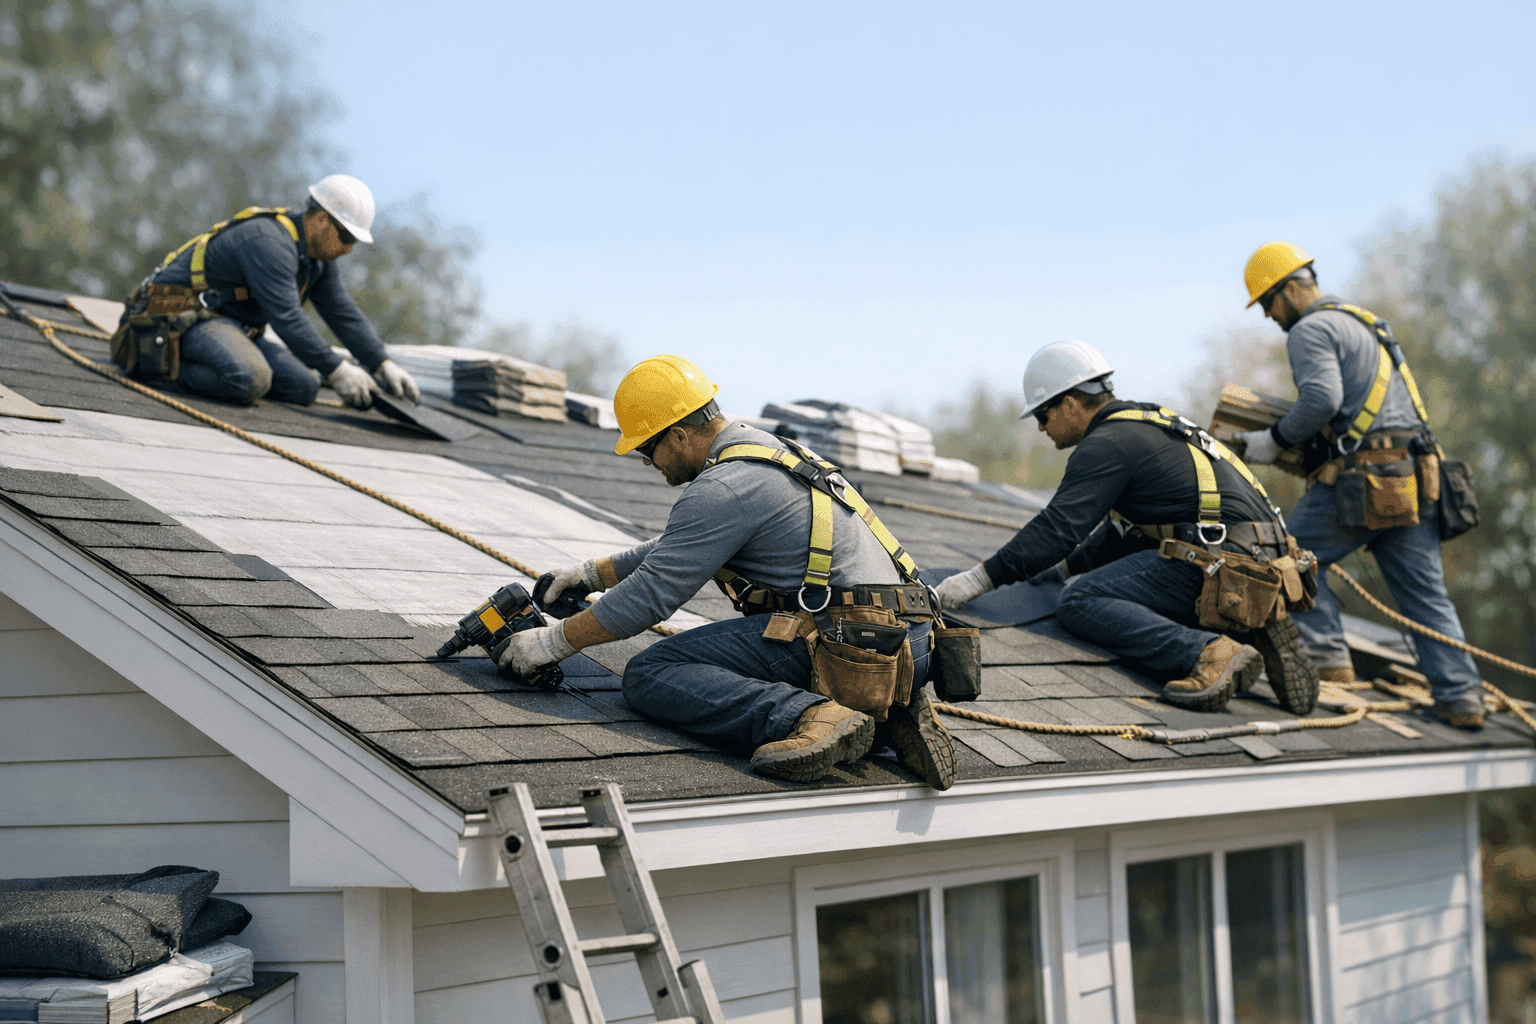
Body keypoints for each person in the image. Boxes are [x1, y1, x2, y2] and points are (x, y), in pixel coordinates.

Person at [492, 354, 958, 789]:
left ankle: (816, 717)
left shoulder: (724, 487)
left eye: (647, 447)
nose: (645, 461)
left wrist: (550, 644)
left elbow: (652, 595)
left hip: (851, 642)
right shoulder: (767, 452)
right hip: (907, 641)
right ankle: (889, 711)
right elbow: (686, 548)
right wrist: (592, 575)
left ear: (678, 434)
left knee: (651, 673)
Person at [936, 341, 1319, 714]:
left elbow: (1057, 529)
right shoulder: (1150, 422)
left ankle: (1209, 651)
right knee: (1112, 572)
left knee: (1080, 600)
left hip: (1222, 562)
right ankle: (1248, 625)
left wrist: (979, 579)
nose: (1040, 428)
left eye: (1042, 415)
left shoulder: (1106, 444)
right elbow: (1127, 532)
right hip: (1266, 558)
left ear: (1069, 404)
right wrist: (1066, 567)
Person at [1233, 242, 1483, 729]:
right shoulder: (1366, 324)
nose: (1268, 316)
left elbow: (1323, 399)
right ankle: (1461, 696)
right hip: (1410, 481)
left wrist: (1273, 440)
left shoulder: (1310, 330)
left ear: (1288, 290)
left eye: (1267, 303)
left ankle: (1328, 659)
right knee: (1426, 597)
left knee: (1288, 553)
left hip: (1364, 480)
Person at [113, 173, 418, 409]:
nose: (349, 249)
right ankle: (150, 364)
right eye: (346, 238)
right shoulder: (268, 242)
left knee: (304, 387)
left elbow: (342, 314)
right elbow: (287, 318)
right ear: (322, 220)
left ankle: (215, 368)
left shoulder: (318, 262)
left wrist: (382, 363)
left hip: (228, 325)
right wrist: (339, 371)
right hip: (179, 317)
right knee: (249, 378)